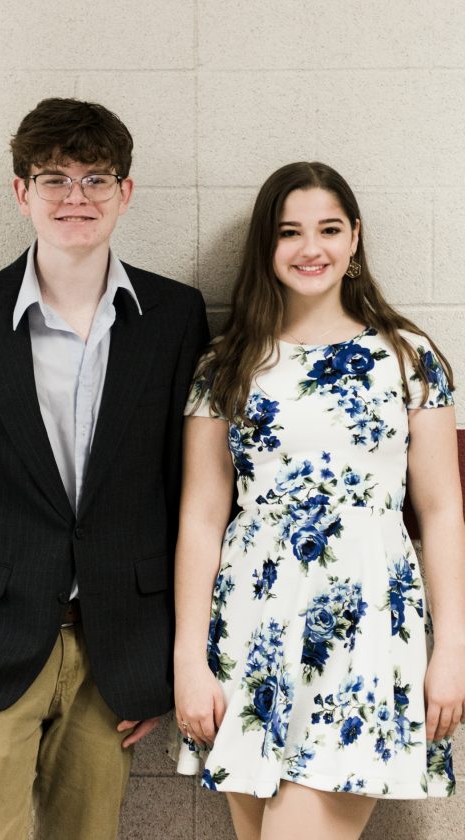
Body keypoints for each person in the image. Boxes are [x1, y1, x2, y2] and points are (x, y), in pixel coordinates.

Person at [0, 96, 208, 840]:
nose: (77, 197)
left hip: (117, 653)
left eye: (96, 178)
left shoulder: (174, 317)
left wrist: (168, 655)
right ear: (22, 192)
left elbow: (185, 493)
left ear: (125, 192)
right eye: (54, 179)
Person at [173, 161, 465, 840]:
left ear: (354, 237)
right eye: (290, 232)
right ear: (266, 245)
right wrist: (189, 660)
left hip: (366, 631)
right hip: (248, 628)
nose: (312, 248)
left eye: (329, 229)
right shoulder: (226, 364)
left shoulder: (408, 357)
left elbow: (443, 513)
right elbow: (201, 518)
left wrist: (451, 647)